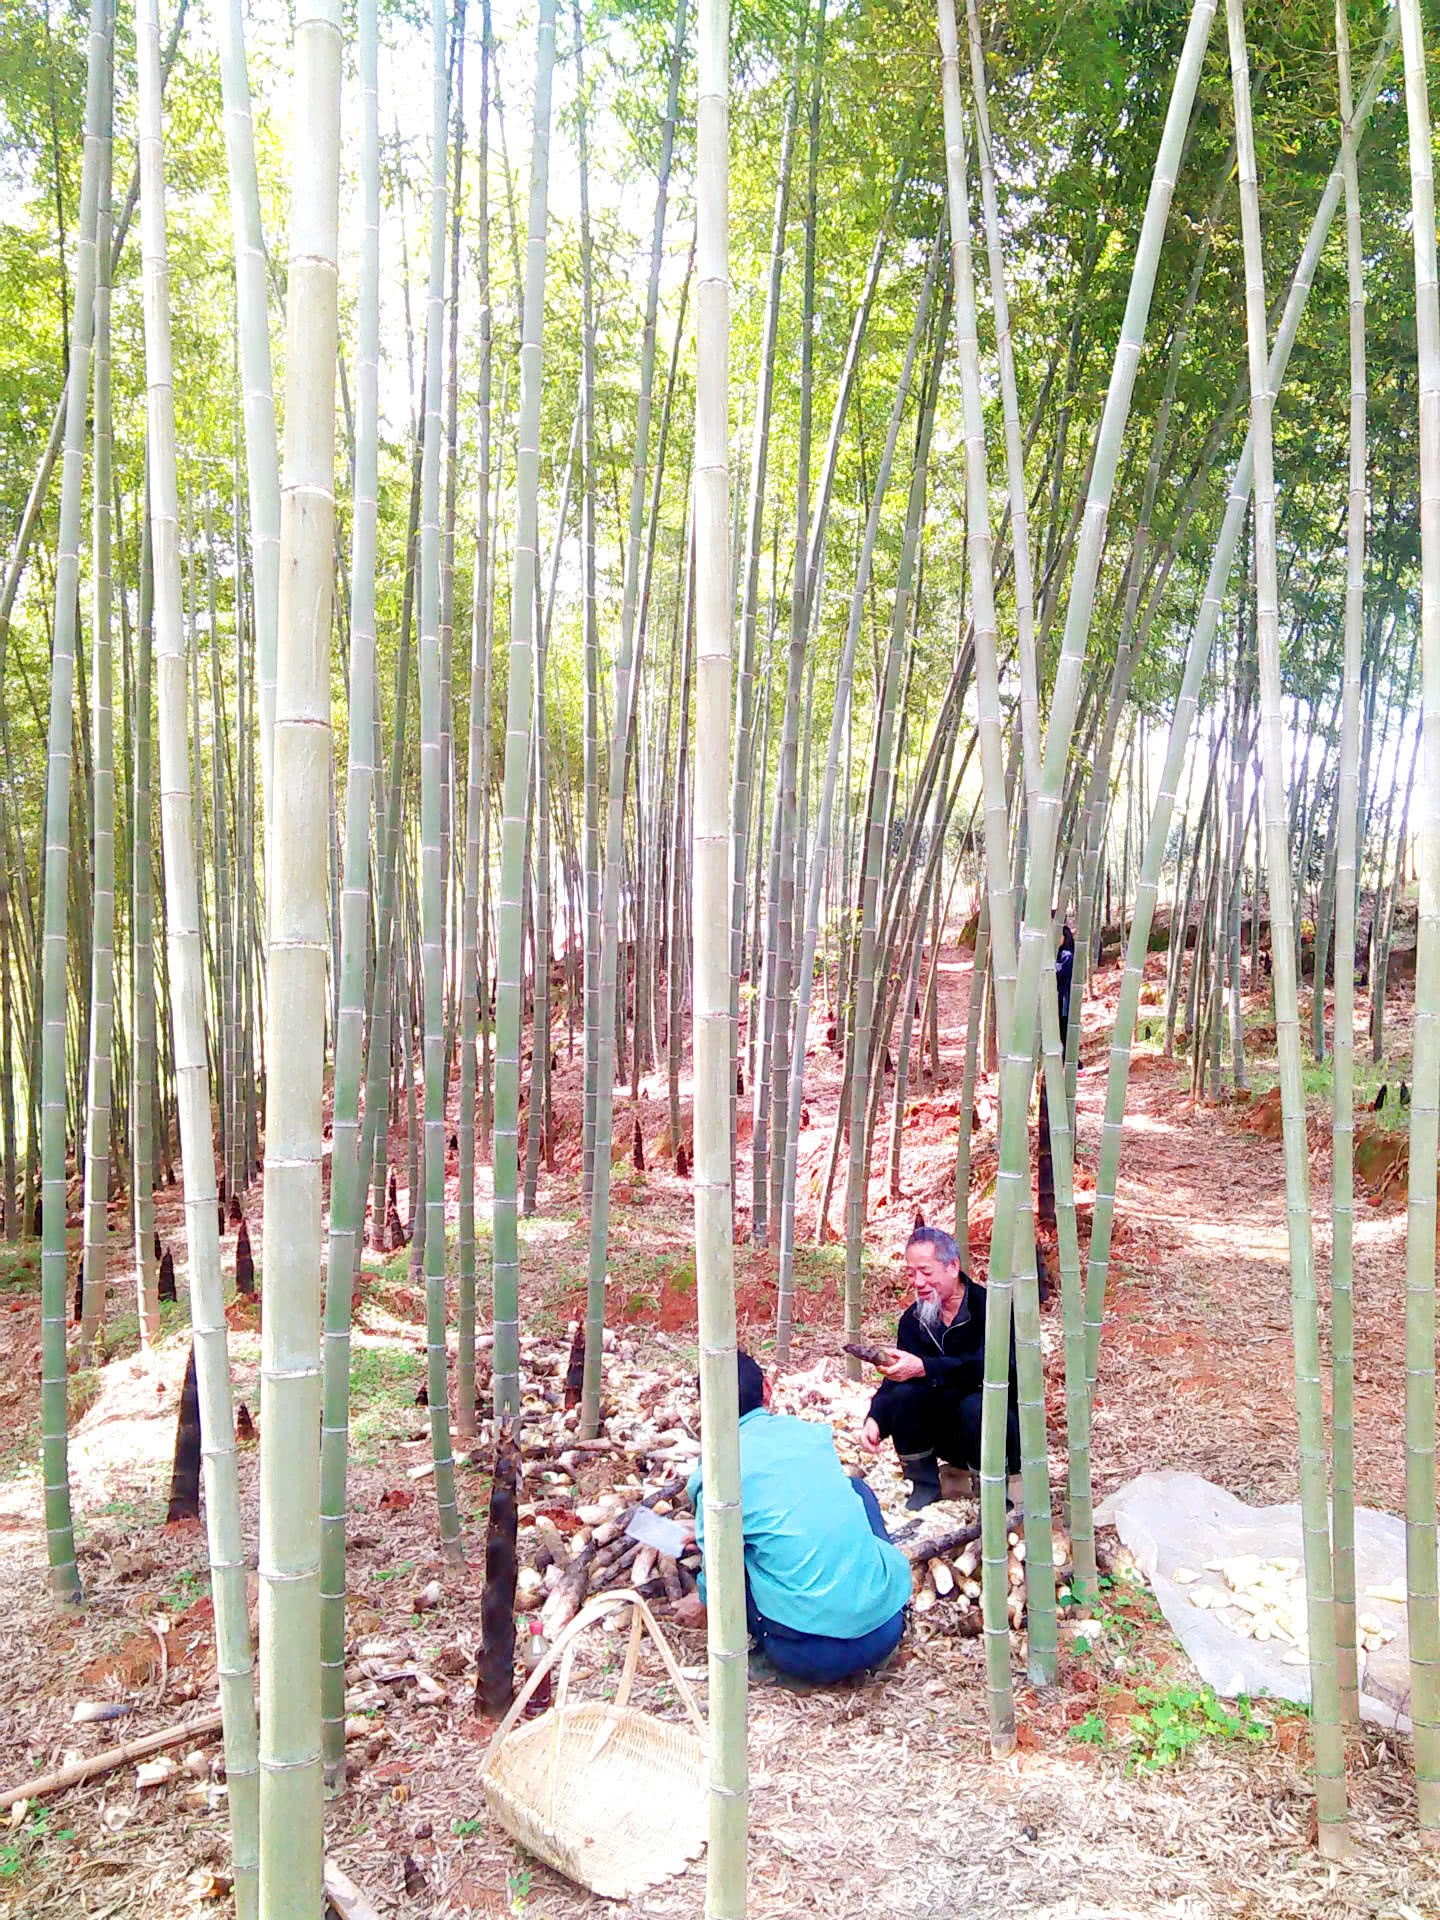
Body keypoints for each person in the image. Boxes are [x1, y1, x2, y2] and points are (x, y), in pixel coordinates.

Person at [677, 1353, 911, 1684]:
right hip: (886, 1628)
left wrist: (702, 1599)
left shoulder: (716, 1471)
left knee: (736, 1557)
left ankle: (773, 1661)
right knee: (856, 1490)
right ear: (768, 1389)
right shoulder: (810, 1436)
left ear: (707, 1409)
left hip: (810, 1656)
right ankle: (871, 1603)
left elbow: (718, 1573)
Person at [861, 1224, 1022, 1511]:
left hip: (998, 1433)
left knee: (977, 1404)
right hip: (947, 1437)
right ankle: (923, 1485)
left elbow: (995, 1368)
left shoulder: (990, 1308)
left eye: (926, 1271)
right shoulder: (913, 1320)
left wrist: (925, 1367)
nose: (918, 1282)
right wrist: (876, 1417)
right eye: (911, 1273)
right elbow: (897, 1378)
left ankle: (993, 1494)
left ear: (952, 1267)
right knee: (904, 1395)